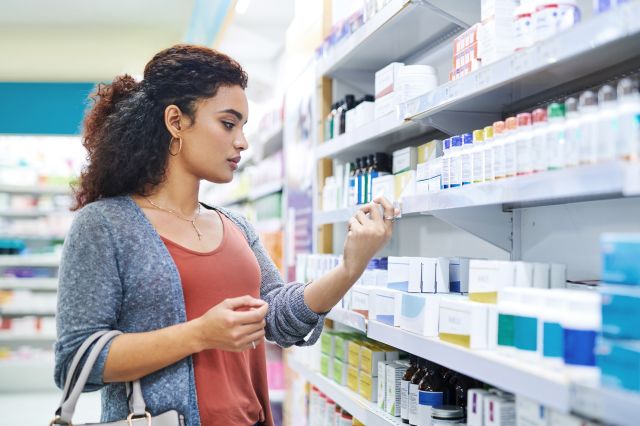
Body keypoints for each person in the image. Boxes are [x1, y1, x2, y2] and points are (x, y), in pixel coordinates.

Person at [54, 44, 398, 426]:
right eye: (228, 123)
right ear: (175, 121)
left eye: (243, 127)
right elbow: (75, 361)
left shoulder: (235, 226)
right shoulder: (105, 225)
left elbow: (279, 317)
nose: (242, 142)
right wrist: (200, 334)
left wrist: (351, 266)